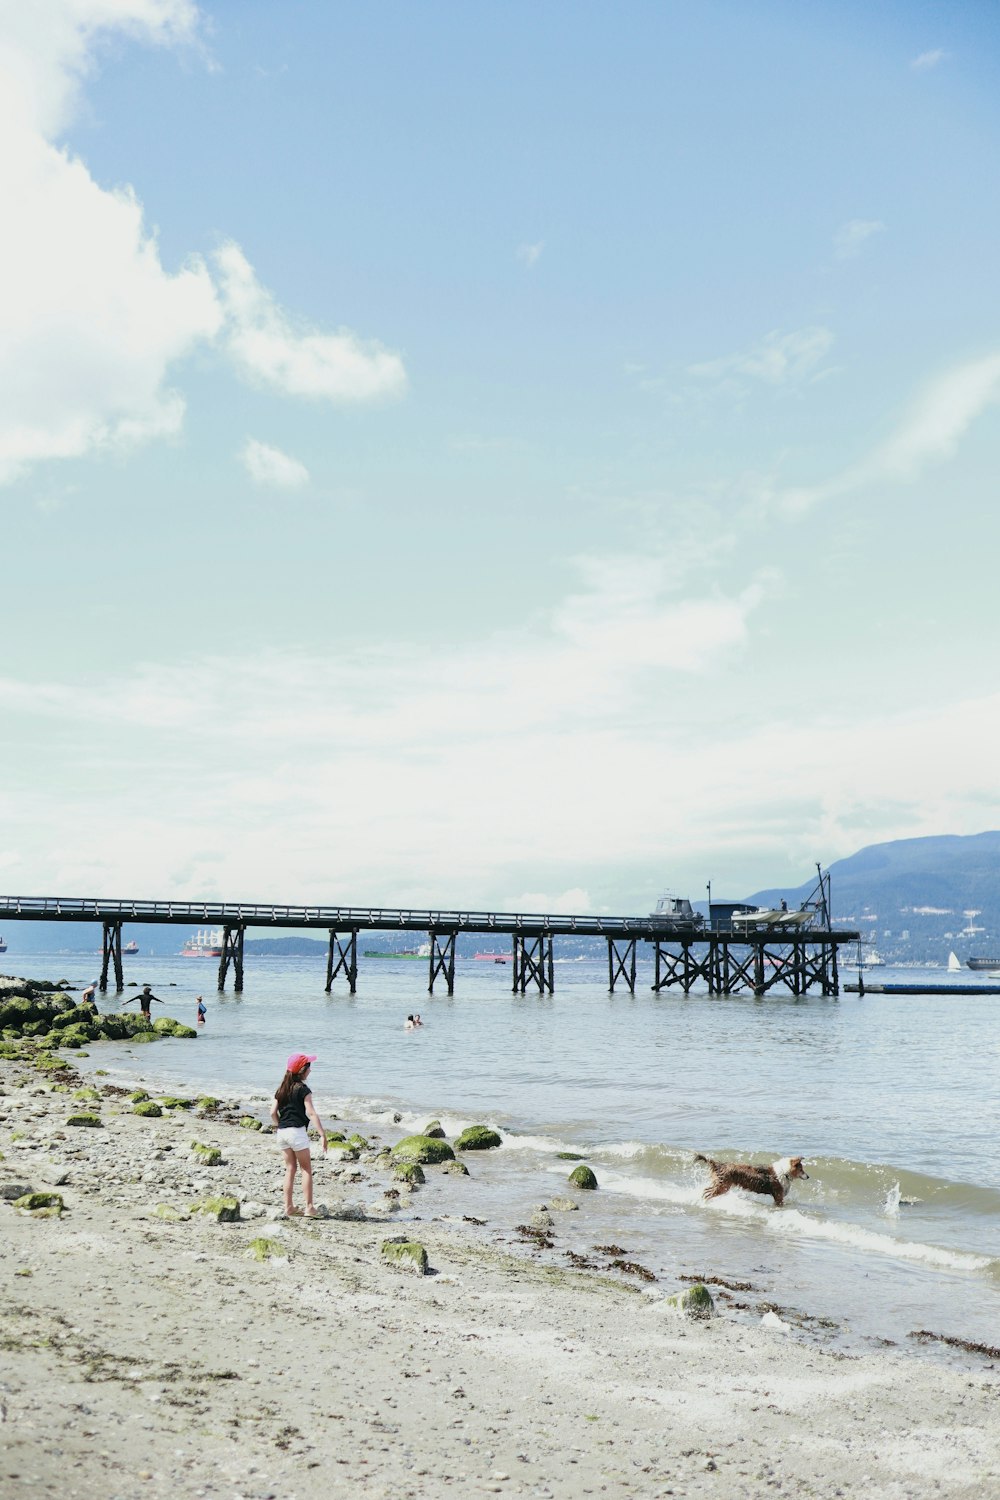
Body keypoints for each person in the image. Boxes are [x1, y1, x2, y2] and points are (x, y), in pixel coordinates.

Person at [269, 1053, 327, 1217]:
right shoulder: (303, 1089)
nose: (310, 1070)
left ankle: (289, 1207)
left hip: (282, 1132)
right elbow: (311, 1113)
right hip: (297, 1132)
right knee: (306, 1169)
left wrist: (279, 1125)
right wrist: (322, 1135)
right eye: (309, 1066)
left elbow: (272, 1112)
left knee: (290, 1169)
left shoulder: (281, 1089)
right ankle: (309, 1207)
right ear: (303, 1070)